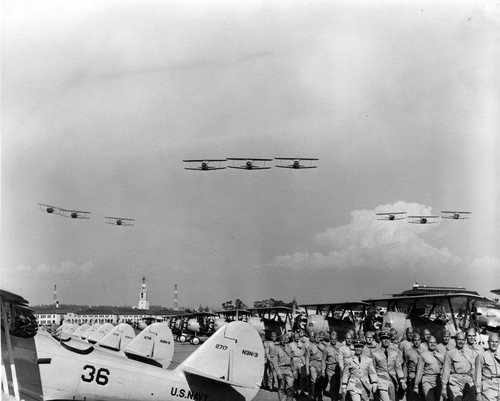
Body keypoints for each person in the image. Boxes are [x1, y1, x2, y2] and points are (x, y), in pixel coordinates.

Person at [372, 331, 407, 401]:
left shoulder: (394, 352)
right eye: (384, 338)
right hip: (381, 380)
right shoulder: (375, 353)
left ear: (390, 340)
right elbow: (372, 369)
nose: (386, 340)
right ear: (381, 340)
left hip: (392, 380)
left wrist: (402, 380)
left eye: (387, 339)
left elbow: (398, 367)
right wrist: (374, 382)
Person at [441, 331, 476, 401]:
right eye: (459, 339)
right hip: (455, 381)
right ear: (455, 340)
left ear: (465, 341)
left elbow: (473, 368)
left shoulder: (470, 352)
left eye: (463, 340)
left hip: (467, 380)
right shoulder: (449, 353)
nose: (461, 342)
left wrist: (475, 381)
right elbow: (445, 370)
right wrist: (444, 387)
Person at [415, 335, 443, 401]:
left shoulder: (441, 355)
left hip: (438, 380)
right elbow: (419, 371)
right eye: (430, 342)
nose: (432, 344)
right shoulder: (423, 355)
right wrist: (416, 385)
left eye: (434, 342)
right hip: (427, 380)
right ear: (427, 344)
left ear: (436, 343)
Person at [474, 333, 500, 401]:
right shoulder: (481, 356)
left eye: (496, 342)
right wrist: (478, 393)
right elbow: (477, 375)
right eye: (492, 341)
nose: (494, 344)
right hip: (488, 388)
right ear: (488, 342)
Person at [404, 333, 425, 401]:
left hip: (422, 376)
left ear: (420, 341)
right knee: (412, 397)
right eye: (415, 340)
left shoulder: (424, 351)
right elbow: (405, 366)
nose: (417, 342)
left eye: (418, 340)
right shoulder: (408, 352)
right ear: (412, 341)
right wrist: (405, 378)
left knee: (423, 397)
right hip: (412, 376)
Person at [274, 334, 295, 401]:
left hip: (288, 369)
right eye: (282, 339)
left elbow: (292, 360)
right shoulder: (277, 349)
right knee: (281, 387)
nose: (283, 341)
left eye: (284, 339)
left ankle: (289, 399)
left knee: (290, 386)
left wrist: (293, 370)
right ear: (280, 340)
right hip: (281, 369)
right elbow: (275, 362)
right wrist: (278, 372)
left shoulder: (289, 348)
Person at [324, 331, 342, 401]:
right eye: (332, 339)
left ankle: (335, 397)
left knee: (337, 385)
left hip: (338, 369)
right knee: (332, 384)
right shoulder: (327, 347)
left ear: (337, 339)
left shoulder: (340, 346)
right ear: (330, 339)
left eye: (335, 339)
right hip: (330, 369)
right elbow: (323, 358)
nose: (333, 341)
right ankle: (333, 399)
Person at [307, 332, 326, 401]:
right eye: (316, 337)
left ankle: (319, 396)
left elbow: (325, 356)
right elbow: (307, 358)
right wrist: (307, 369)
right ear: (314, 338)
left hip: (321, 364)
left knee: (320, 382)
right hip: (313, 364)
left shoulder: (323, 346)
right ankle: (313, 396)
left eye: (318, 338)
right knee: (314, 381)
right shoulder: (310, 347)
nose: (317, 339)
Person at [289, 331, 307, 398]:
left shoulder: (302, 344)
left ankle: (302, 391)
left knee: (302, 377)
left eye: (298, 337)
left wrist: (304, 362)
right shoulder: (290, 345)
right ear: (293, 338)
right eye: (295, 337)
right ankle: (296, 391)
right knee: (295, 377)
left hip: (301, 360)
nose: (297, 338)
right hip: (294, 360)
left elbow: (304, 354)